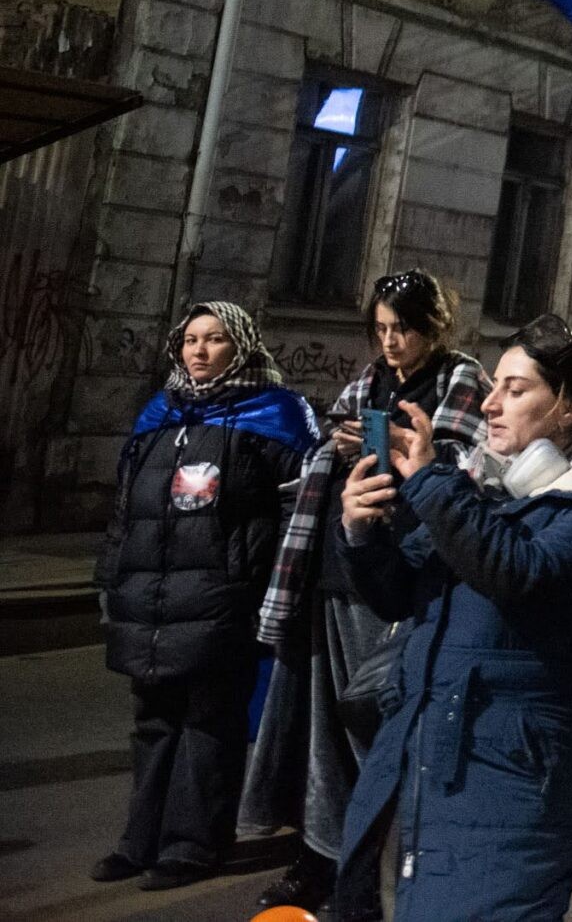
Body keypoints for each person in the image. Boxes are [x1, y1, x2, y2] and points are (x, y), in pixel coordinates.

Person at [335, 314, 572, 922]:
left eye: (516, 388)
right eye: (493, 386)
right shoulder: (479, 485)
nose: (490, 403)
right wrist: (360, 529)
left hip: (513, 767)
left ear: (567, 409)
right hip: (427, 746)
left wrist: (428, 481)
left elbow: (520, 573)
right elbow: (398, 594)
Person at [250, 270, 487, 920]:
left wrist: (401, 454)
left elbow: (466, 478)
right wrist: (345, 446)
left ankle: (393, 868)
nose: (390, 342)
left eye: (402, 329)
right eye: (380, 329)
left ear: (433, 326)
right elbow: (334, 450)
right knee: (325, 738)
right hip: (338, 565)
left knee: (379, 729)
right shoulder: (367, 382)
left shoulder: (458, 380)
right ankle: (322, 858)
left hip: (405, 579)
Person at [92, 303, 318, 891]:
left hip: (224, 596)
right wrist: (110, 580)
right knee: (153, 721)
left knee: (208, 723)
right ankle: (138, 841)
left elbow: (300, 510)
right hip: (150, 595)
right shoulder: (160, 415)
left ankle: (193, 845)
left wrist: (273, 589)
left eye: (215, 339)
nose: (199, 350)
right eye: (190, 340)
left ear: (239, 347)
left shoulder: (276, 415)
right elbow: (124, 511)